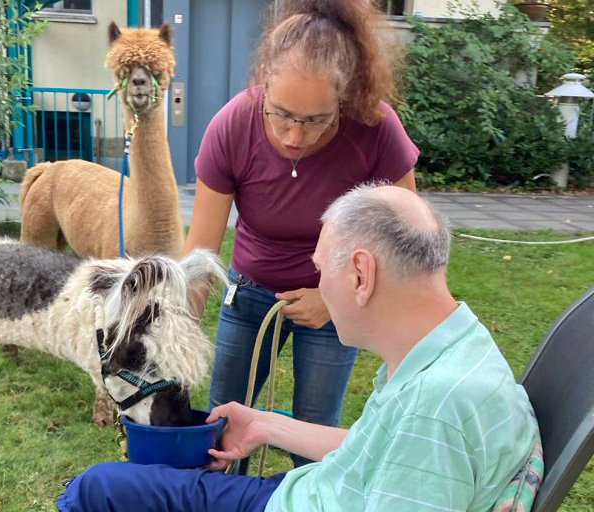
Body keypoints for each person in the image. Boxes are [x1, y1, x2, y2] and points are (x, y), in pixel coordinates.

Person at [57, 184, 540, 512]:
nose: (317, 286)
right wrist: (266, 424)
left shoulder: (438, 410)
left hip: (302, 499)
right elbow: (379, 447)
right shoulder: (452, 348)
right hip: (310, 491)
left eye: (319, 270)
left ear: (360, 274)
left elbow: (418, 444)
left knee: (96, 488)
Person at [181, 0, 419, 466]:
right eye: (282, 113)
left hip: (334, 306)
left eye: (315, 120)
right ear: (264, 80)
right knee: (221, 433)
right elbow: (199, 254)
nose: (294, 136)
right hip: (248, 297)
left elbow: (407, 242)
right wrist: (174, 329)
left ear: (345, 97)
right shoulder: (232, 126)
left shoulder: (375, 128)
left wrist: (333, 299)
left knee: (316, 443)